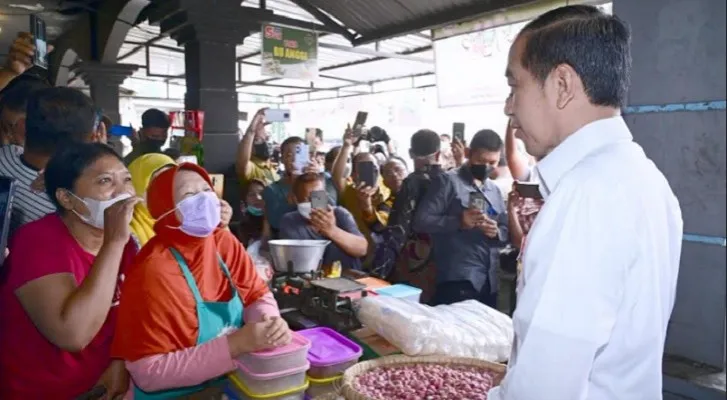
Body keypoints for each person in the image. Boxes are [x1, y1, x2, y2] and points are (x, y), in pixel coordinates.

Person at [488, 6, 682, 399]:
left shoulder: (586, 195)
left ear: (562, 84)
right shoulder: (644, 177)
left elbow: (544, 386)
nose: (509, 107)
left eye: (515, 86)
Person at [111, 163, 289, 398]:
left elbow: (256, 294)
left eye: (207, 190)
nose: (204, 199)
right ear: (166, 209)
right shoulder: (153, 271)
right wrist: (236, 345)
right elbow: (149, 372)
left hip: (225, 384)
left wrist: (269, 321)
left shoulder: (223, 242)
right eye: (189, 194)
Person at [0, 143, 139, 399]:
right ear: (66, 198)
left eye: (127, 179)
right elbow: (72, 334)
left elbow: (132, 311)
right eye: (106, 181)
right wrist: (114, 243)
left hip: (100, 386)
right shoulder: (36, 242)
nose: (124, 192)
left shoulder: (127, 243)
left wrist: (120, 360)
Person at [413, 129, 508, 308]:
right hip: (457, 277)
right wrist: (458, 222)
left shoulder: (494, 190)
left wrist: (496, 232)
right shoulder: (447, 182)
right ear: (468, 154)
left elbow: (505, 229)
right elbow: (421, 221)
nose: (486, 166)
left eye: (492, 162)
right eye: (480, 161)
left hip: (490, 280)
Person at [0, 87, 106, 237]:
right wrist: (99, 159)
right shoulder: (72, 209)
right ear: (92, 139)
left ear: (22, 125)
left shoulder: (5, 157)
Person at [128, 153, 234, 248]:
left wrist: (219, 224)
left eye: (171, 181)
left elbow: (226, 256)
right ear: (137, 189)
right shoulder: (126, 234)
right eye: (158, 184)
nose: (168, 190)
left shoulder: (188, 218)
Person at [388, 129, 445, 303]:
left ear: (411, 153)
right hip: (443, 260)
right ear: (438, 154)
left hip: (413, 260)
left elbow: (397, 227)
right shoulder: (447, 179)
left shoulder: (410, 183)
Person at [280, 173, 367, 270]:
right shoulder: (290, 221)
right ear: (296, 200)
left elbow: (362, 249)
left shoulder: (340, 214)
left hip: (351, 279)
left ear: (325, 196)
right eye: (307, 199)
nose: (313, 203)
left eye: (317, 197)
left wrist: (332, 230)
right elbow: (299, 260)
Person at [261, 136, 320, 237]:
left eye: (298, 155)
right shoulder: (272, 190)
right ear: (282, 159)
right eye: (289, 155)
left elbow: (322, 212)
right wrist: (295, 184)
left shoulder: (317, 184)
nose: (294, 160)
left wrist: (316, 181)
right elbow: (276, 221)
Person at [236, 109, 280, 191]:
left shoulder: (271, 168)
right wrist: (252, 129)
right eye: (257, 140)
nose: (264, 144)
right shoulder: (252, 168)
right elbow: (242, 162)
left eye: (265, 140)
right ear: (249, 148)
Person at [239, 178, 266, 246]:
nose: (257, 197)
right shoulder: (241, 227)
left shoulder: (276, 224)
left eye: (261, 193)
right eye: (251, 194)